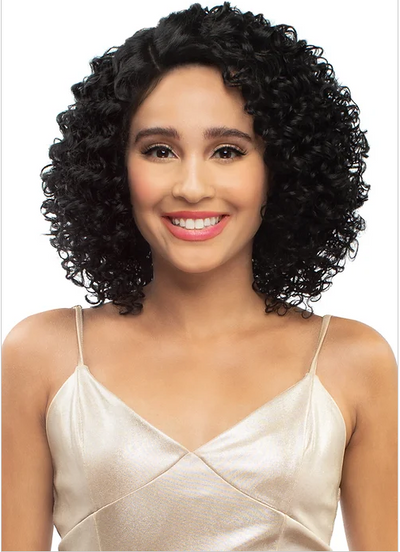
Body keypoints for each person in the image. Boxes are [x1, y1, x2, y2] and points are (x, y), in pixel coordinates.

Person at [2, 2, 397, 551]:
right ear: (115, 167)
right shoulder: (42, 355)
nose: (191, 187)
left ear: (280, 169)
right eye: (160, 150)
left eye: (227, 151)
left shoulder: (354, 361)